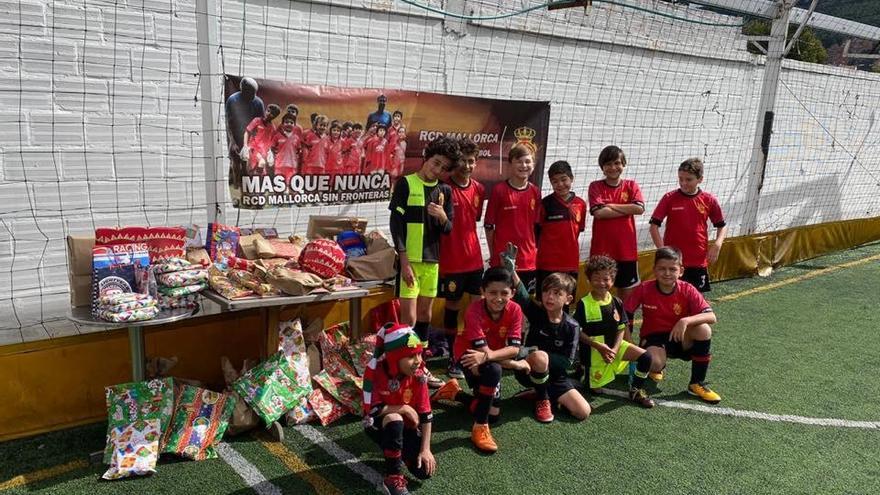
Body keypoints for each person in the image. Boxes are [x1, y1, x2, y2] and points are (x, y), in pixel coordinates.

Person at [388, 136, 460, 388]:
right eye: (436, 163)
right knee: (407, 318)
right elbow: (395, 225)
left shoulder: (445, 191)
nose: (437, 170)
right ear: (426, 157)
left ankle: (421, 367)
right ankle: (400, 365)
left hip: (432, 262)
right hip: (410, 261)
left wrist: (442, 216)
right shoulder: (406, 183)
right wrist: (404, 260)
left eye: (443, 167)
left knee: (425, 314)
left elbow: (449, 228)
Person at [431, 266, 524, 453]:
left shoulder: (515, 310)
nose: (498, 298)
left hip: (490, 357)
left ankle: (454, 393)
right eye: (492, 292)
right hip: (468, 354)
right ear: (482, 291)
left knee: (494, 413)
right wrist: (514, 364)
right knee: (493, 371)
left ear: (512, 293)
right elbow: (482, 352)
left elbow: (514, 348)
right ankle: (480, 427)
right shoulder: (474, 310)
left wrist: (499, 357)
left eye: (504, 293)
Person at [500, 245, 591, 423]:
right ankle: (543, 400)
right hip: (528, 370)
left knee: (583, 412)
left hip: (556, 377)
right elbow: (523, 295)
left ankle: (541, 393)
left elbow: (568, 362)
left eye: (557, 293)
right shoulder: (538, 313)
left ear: (568, 299)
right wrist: (512, 270)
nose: (550, 297)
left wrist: (538, 353)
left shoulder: (572, 326)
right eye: (546, 292)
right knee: (540, 357)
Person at [623, 247, 721, 404]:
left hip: (680, 336)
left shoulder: (687, 289)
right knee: (654, 363)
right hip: (653, 338)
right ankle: (657, 367)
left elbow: (711, 316)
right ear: (654, 269)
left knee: (704, 329)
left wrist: (685, 321)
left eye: (672, 269)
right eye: (662, 268)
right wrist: (629, 343)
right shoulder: (644, 289)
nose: (667, 273)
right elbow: (625, 314)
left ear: (681, 271)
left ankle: (696, 383)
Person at [362, 323, 437, 495]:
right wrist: (403, 408)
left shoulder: (419, 377)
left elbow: (426, 415)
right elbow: (372, 410)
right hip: (378, 423)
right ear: (394, 358)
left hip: (407, 426)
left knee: (423, 471)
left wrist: (426, 449)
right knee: (395, 418)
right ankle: (392, 477)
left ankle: (396, 452)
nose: (418, 361)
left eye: (419, 354)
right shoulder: (375, 372)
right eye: (411, 356)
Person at [573, 255, 655, 408]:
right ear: (589, 280)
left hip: (615, 347)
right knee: (593, 390)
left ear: (613, 279)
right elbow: (576, 331)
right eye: (597, 278)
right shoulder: (584, 304)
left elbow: (621, 327)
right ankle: (582, 370)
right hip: (594, 353)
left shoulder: (616, 301)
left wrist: (616, 349)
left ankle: (636, 390)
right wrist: (598, 347)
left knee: (646, 357)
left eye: (606, 279)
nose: (602, 283)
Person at [438, 138, 485, 379]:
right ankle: (451, 354)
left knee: (477, 306)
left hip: (475, 260)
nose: (467, 166)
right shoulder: (444, 188)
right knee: (453, 306)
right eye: (463, 161)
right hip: (452, 261)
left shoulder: (479, 188)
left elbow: (474, 220)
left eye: (471, 161)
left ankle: (475, 347)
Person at [649, 157, 728, 292]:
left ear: (700, 179)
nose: (683, 183)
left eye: (688, 179)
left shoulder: (709, 200)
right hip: (674, 262)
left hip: (698, 260)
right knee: (672, 298)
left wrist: (717, 244)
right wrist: (662, 250)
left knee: (696, 300)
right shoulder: (669, 198)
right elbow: (653, 226)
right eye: (680, 179)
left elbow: (722, 225)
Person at [587, 145, 645, 301]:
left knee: (627, 301)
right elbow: (599, 213)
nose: (613, 168)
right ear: (602, 167)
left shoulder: (631, 185)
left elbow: (639, 209)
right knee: (601, 297)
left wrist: (611, 205)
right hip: (602, 253)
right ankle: (603, 326)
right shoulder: (595, 186)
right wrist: (628, 208)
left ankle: (626, 326)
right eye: (608, 164)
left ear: (623, 164)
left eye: (617, 163)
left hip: (626, 252)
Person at [484, 143, 541, 294]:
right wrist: (494, 255)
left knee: (527, 304)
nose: (524, 165)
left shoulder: (535, 192)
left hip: (528, 262)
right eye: (519, 161)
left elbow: (536, 227)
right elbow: (489, 226)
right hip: (504, 261)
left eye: (528, 161)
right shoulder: (499, 191)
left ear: (533, 165)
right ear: (510, 164)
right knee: (503, 303)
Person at [535, 160, 587, 302]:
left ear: (571, 179)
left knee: (565, 303)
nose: (560, 184)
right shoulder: (545, 204)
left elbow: (578, 231)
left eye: (564, 179)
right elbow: (537, 232)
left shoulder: (581, 204)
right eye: (555, 181)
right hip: (547, 263)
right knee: (546, 302)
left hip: (570, 263)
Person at [225, 77, 264, 186]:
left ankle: (248, 184)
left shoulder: (258, 103)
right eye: (250, 93)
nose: (253, 96)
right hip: (235, 133)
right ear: (243, 90)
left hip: (251, 136)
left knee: (248, 161)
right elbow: (228, 122)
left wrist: (255, 144)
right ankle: (237, 184)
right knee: (235, 158)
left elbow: (260, 125)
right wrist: (232, 141)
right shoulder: (232, 100)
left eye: (254, 93)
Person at [243, 104, 281, 175]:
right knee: (261, 162)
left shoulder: (272, 128)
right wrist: (245, 146)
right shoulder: (257, 121)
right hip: (253, 148)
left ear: (275, 116)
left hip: (263, 152)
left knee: (261, 172)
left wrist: (270, 152)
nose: (269, 114)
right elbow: (247, 132)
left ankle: (254, 180)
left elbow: (270, 142)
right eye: (268, 111)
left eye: (272, 113)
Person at [272, 112, 301, 184]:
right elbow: (272, 148)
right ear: (282, 124)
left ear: (294, 125)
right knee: (279, 187)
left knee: (290, 186)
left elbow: (298, 151)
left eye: (291, 122)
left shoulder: (296, 138)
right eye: (286, 122)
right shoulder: (277, 136)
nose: (289, 124)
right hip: (279, 166)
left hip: (292, 167)